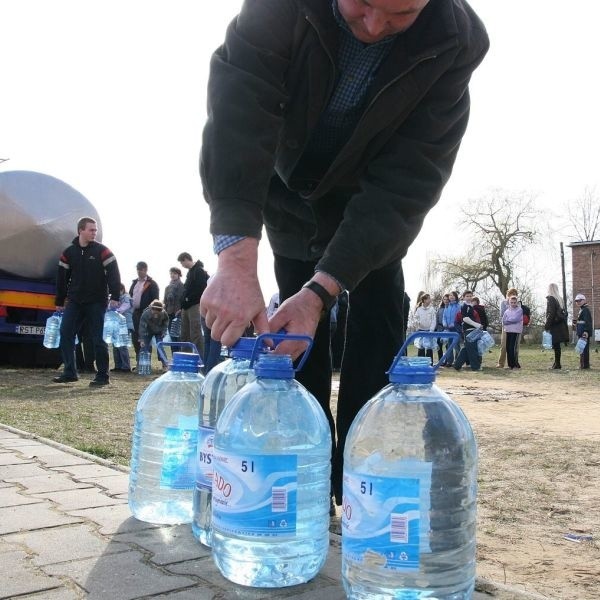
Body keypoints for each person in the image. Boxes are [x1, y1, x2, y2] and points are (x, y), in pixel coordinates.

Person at [199, 0, 489, 506]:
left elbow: (409, 179)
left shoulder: (455, 40)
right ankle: (303, 476)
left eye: (400, 14)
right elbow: (240, 113)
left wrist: (323, 290)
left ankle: (362, 480)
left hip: (369, 209)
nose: (375, 26)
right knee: (290, 342)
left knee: (378, 324)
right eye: (364, 3)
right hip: (288, 196)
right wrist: (236, 259)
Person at [52, 217, 121, 386]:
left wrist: (115, 296)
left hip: (96, 301)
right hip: (75, 301)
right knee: (66, 333)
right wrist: (60, 300)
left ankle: (103, 376)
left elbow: (114, 273)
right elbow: (62, 278)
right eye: (91, 230)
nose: (94, 233)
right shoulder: (69, 253)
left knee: (97, 338)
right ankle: (70, 372)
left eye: (95, 230)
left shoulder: (102, 251)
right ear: (80, 231)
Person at [177, 252, 209, 357]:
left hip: (195, 305)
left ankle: (199, 358)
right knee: (184, 333)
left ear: (186, 259)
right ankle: (185, 357)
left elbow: (201, 288)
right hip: (185, 307)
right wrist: (183, 302)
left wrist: (188, 299)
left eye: (182, 263)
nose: (182, 265)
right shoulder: (190, 272)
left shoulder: (199, 271)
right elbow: (186, 288)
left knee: (195, 333)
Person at [129, 261, 159, 366]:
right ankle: (138, 361)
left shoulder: (152, 284)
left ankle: (145, 362)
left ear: (146, 270)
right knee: (135, 337)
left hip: (146, 314)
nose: (139, 272)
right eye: (138, 269)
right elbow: (130, 297)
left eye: (141, 269)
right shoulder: (134, 283)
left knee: (145, 337)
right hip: (135, 313)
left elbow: (155, 300)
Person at [453, 290, 483, 372]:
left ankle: (457, 365)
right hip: (468, 330)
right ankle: (475, 367)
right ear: (463, 297)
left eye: (470, 296)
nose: (469, 298)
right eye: (467, 296)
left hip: (472, 329)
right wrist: (477, 325)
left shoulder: (470, 306)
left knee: (467, 348)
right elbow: (465, 318)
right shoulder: (464, 306)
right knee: (472, 349)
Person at [544, 283, 569, 370]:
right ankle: (556, 363)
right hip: (560, 324)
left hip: (554, 325)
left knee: (556, 345)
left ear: (550, 289)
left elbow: (551, 313)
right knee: (557, 345)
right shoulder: (560, 299)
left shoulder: (551, 298)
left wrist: (547, 325)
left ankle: (557, 364)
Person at [138, 300, 169, 369]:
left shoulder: (164, 314)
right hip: (147, 331)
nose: (156, 314)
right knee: (144, 347)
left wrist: (164, 332)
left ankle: (165, 364)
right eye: (154, 311)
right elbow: (142, 327)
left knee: (160, 347)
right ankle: (142, 365)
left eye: (158, 312)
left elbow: (165, 323)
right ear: (151, 309)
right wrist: (142, 339)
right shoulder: (145, 314)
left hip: (159, 331)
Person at [111, 283, 133, 373]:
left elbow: (124, 308)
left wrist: (114, 310)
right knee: (115, 346)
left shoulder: (126, 297)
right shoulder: (114, 298)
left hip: (124, 324)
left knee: (123, 346)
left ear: (122, 290)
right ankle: (118, 366)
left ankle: (126, 366)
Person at [496, 287, 518, 368]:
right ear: (508, 295)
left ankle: (514, 363)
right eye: (511, 294)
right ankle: (501, 363)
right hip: (506, 326)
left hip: (515, 327)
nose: (513, 296)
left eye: (515, 294)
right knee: (504, 345)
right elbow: (502, 314)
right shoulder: (503, 303)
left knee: (514, 346)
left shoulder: (517, 303)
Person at [163, 267, 185, 342]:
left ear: (179, 275)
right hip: (169, 313)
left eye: (175, 273)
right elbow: (165, 301)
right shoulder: (167, 288)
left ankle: (180, 352)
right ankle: (173, 353)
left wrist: (181, 310)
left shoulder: (182, 286)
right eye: (171, 273)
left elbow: (183, 299)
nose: (172, 275)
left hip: (179, 313)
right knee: (172, 335)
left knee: (178, 336)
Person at [413, 292, 436, 364]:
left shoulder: (432, 309)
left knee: (429, 348)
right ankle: (421, 363)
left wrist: (432, 329)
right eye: (429, 299)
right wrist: (417, 323)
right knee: (421, 347)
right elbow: (415, 318)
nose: (430, 300)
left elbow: (433, 320)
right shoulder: (419, 309)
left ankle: (430, 364)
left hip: (429, 331)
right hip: (421, 331)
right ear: (424, 300)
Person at [501, 295, 523, 370]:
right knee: (507, 347)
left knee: (512, 348)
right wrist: (508, 321)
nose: (513, 304)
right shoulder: (507, 311)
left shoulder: (519, 310)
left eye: (514, 302)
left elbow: (516, 319)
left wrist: (508, 321)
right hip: (508, 330)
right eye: (511, 302)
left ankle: (514, 365)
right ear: (509, 302)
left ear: (517, 302)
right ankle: (510, 365)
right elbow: (503, 321)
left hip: (515, 331)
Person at [574, 293, 593, 369]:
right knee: (582, 348)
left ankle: (584, 365)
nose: (578, 302)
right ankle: (583, 365)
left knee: (584, 349)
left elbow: (587, 322)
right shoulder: (582, 309)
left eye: (580, 300)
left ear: (584, 300)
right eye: (577, 301)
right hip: (581, 332)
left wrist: (586, 331)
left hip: (584, 333)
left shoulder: (585, 310)